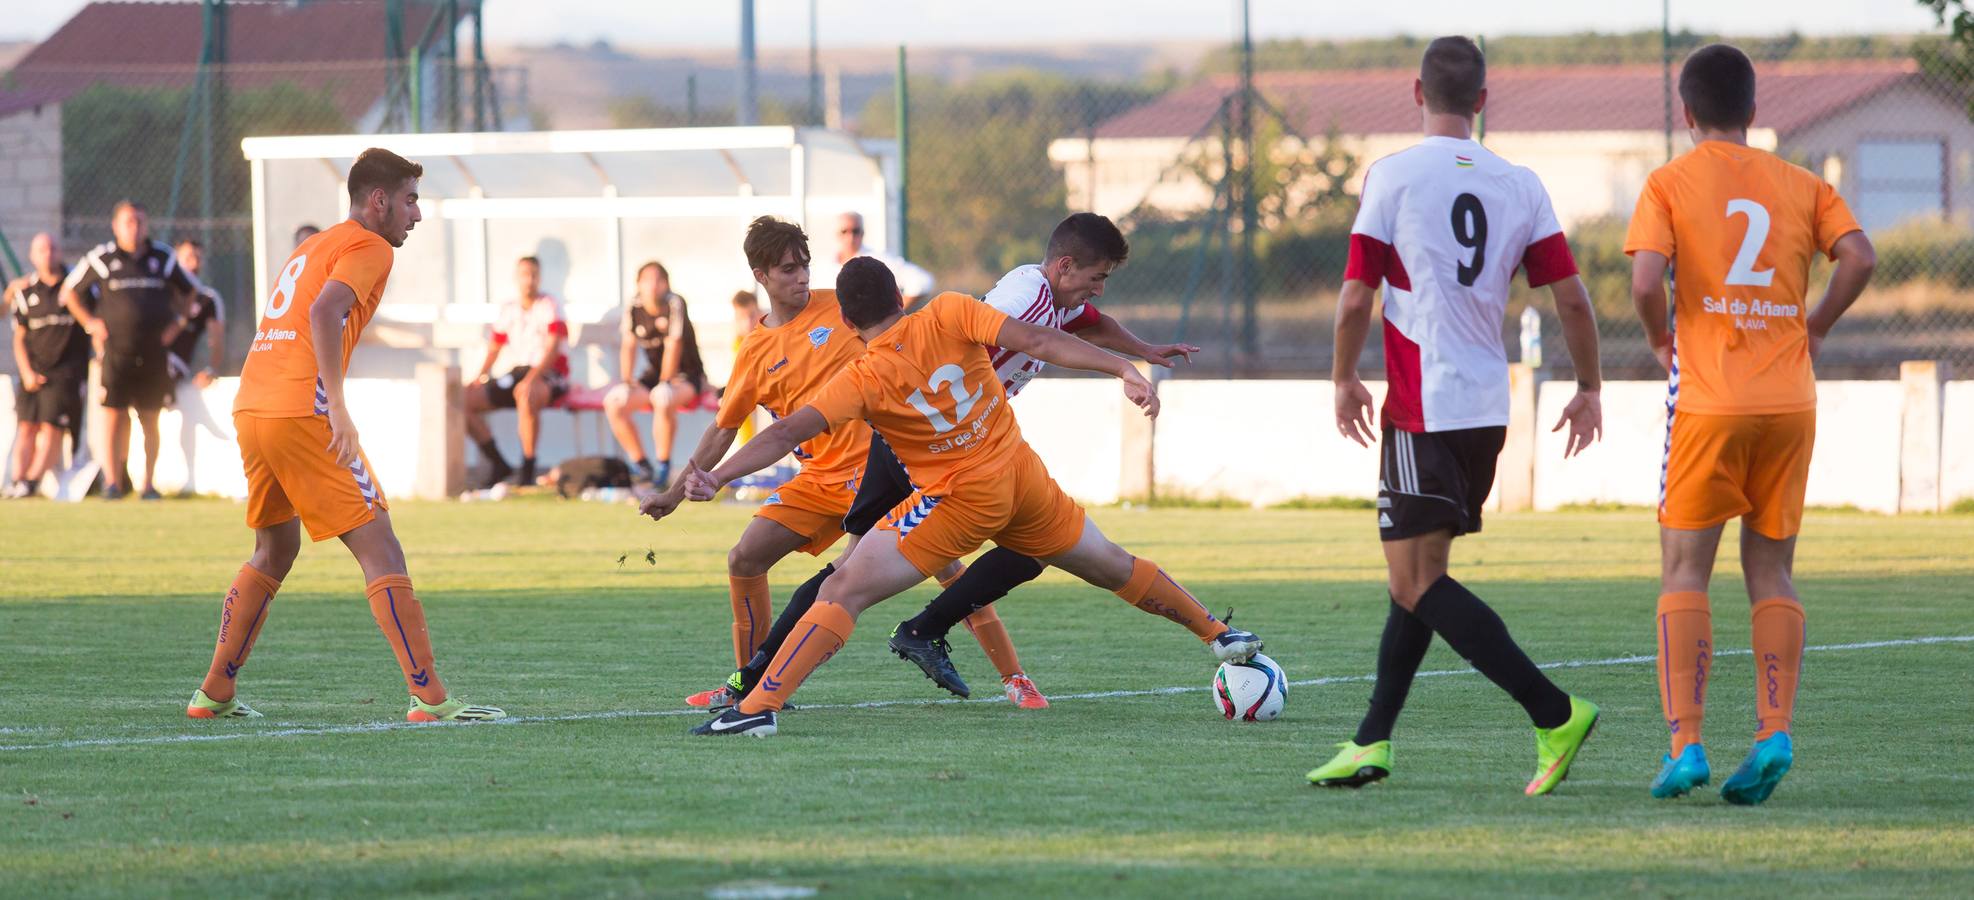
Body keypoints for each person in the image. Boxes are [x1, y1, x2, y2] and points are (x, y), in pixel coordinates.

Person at [663, 256, 1264, 738]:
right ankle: (1217, 633)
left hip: (958, 499)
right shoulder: (950, 311)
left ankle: (759, 706)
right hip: (1022, 478)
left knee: (845, 586)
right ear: (901, 296)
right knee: (1111, 564)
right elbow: (1039, 340)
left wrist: (718, 476)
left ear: (847, 323)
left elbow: (787, 430)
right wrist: (1122, 369)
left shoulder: (862, 376)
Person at [1305, 36, 1604, 796]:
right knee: (1416, 576)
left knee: (1416, 580)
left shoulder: (1394, 175)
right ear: (1482, 100)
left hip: (1422, 405)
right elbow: (1569, 296)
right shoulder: (1520, 182)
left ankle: (1553, 711)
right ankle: (1371, 741)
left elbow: (1353, 295)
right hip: (1486, 410)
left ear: (1416, 93)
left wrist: (1343, 377)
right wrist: (1589, 385)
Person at [640, 217, 1037, 712]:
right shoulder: (755, 353)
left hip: (878, 473)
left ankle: (1015, 678)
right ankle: (748, 685)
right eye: (788, 269)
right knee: (745, 556)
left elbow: (905, 337)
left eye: (805, 266)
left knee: (945, 564)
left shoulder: (847, 309)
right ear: (761, 276)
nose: (801, 277)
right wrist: (677, 493)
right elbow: (724, 428)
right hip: (817, 481)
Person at [1626, 43, 1875, 805]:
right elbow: (1859, 257)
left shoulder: (1668, 182)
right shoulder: (1800, 184)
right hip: (1789, 401)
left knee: (1684, 570)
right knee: (1771, 570)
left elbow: (1643, 280)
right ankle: (1774, 730)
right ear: (1754, 111)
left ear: (1687, 111)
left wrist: (1659, 336)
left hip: (1708, 401)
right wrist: (1817, 325)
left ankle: (1687, 745)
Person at [186, 147, 503, 723]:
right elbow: (324, 312)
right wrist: (337, 406)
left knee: (275, 548)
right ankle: (431, 699)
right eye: (410, 200)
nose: (417, 214)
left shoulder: (315, 244)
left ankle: (213, 694)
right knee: (381, 547)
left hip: (254, 406)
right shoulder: (370, 245)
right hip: (301, 409)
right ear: (378, 201)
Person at [59, 201, 197, 500]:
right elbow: (70, 291)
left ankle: (148, 485)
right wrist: (91, 323)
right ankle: (113, 483)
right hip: (116, 352)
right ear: (116, 225)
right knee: (114, 416)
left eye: (139, 222)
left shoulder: (162, 257)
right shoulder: (102, 258)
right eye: (128, 222)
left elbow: (191, 290)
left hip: (153, 353)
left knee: (150, 418)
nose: (134, 228)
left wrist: (179, 323)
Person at [464, 255, 569, 487]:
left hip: (549, 374)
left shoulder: (550, 305)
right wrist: (479, 376)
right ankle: (499, 464)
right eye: (524, 274)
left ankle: (528, 466)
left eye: (533, 274)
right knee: (465, 400)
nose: (529, 280)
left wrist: (532, 378)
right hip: (520, 373)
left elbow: (552, 350)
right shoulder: (509, 308)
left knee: (526, 393)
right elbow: (495, 347)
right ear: (516, 278)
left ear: (539, 277)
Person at [603, 261, 706, 487]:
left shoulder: (675, 303)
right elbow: (628, 345)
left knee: (663, 397)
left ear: (667, 283)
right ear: (638, 284)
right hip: (654, 375)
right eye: (647, 280)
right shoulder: (634, 306)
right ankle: (641, 464)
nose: (653, 286)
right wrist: (627, 381)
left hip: (685, 375)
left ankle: (663, 465)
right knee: (614, 402)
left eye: (659, 279)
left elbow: (674, 344)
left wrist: (666, 381)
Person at [6, 233, 88, 498]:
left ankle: (31, 482)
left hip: (65, 372)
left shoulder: (75, 287)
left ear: (60, 251)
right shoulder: (25, 290)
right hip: (33, 370)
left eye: (52, 248)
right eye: (41, 249)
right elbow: (19, 338)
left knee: (52, 425)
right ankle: (17, 481)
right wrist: (27, 372)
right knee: (27, 427)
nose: (48, 254)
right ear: (32, 256)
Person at [167, 239, 233, 496]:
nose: (193, 264)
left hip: (172, 368)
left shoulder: (207, 298)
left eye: (198, 258)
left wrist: (211, 368)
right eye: (187, 257)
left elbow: (216, 339)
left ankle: (188, 476)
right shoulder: (161, 290)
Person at [809, 211, 934, 303]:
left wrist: (895, 313)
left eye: (855, 231)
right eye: (844, 231)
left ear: (863, 233)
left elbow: (922, 281)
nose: (850, 237)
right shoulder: (823, 266)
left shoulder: (877, 260)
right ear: (837, 234)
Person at [730, 289, 761, 444]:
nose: (748, 323)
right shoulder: (738, 344)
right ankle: (747, 449)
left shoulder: (769, 334)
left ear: (760, 312)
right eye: (742, 318)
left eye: (751, 315)